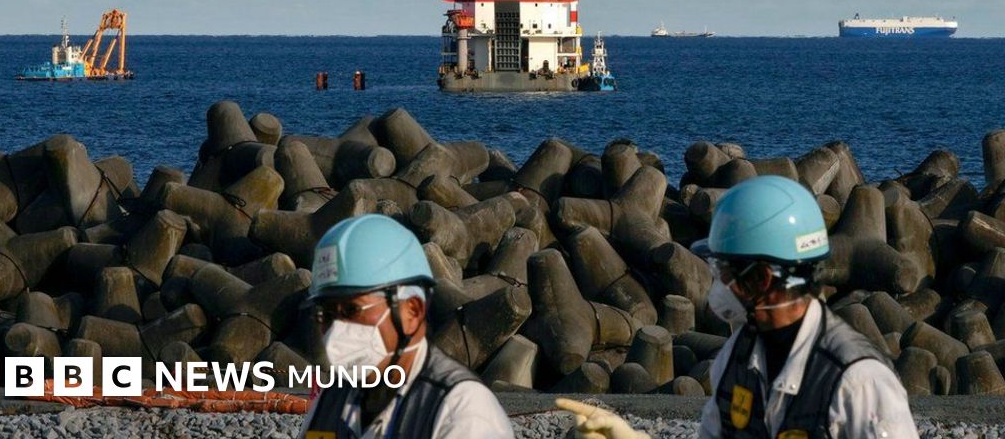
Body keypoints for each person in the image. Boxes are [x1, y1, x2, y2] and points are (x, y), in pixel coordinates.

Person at [557, 176, 919, 438]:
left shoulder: (857, 381)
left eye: (723, 269)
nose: (716, 283)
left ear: (761, 279)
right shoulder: (738, 357)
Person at [298, 214, 514, 439]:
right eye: (326, 315)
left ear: (413, 311)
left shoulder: (460, 411)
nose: (336, 331)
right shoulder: (330, 399)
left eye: (352, 310)